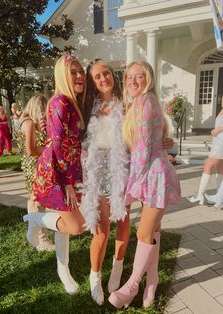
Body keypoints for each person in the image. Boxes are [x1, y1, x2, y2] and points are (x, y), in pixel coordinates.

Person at [81, 59, 176, 306]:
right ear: (92, 81)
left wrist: (165, 141)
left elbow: (150, 133)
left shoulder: (128, 104)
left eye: (107, 74)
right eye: (97, 76)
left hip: (125, 169)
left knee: (125, 225)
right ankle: (95, 277)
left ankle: (118, 271)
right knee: (102, 230)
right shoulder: (86, 106)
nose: (103, 79)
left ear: (114, 76)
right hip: (98, 171)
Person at [108, 61, 181, 309]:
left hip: (154, 176)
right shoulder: (139, 104)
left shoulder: (145, 102)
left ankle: (132, 285)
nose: (133, 81)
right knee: (154, 231)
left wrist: (131, 187)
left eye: (140, 76)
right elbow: (154, 141)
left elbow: (143, 151)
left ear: (148, 78)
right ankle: (153, 280)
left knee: (143, 232)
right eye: (129, 77)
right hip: (150, 175)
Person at [23, 55, 86, 295]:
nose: (80, 76)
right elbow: (59, 145)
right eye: (73, 72)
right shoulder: (61, 102)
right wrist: (69, 183)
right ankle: (35, 220)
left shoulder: (69, 102)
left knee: (68, 225)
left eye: (81, 71)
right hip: (58, 172)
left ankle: (64, 271)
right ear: (62, 75)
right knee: (76, 226)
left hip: (66, 170)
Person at [18, 94, 54, 251]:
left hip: (32, 167)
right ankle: (41, 239)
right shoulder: (29, 123)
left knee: (36, 200)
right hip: (34, 168)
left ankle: (37, 233)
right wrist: (49, 149)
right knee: (37, 201)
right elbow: (31, 150)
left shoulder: (26, 122)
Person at [187, 97, 223, 206]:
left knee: (207, 165)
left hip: (221, 143)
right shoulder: (221, 110)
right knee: (220, 168)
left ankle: (200, 195)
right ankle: (219, 197)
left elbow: (219, 128)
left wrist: (218, 129)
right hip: (218, 142)